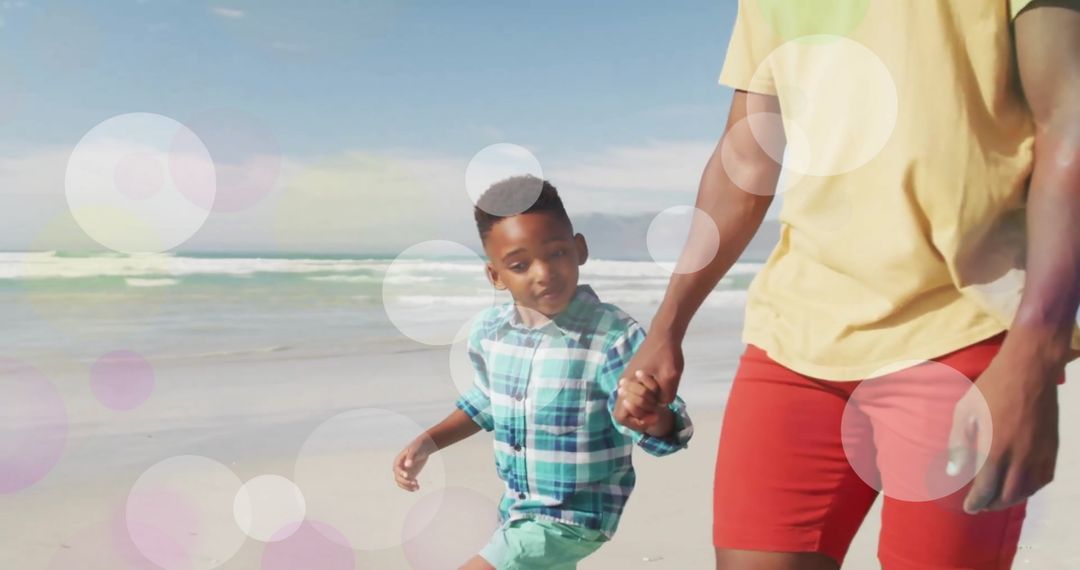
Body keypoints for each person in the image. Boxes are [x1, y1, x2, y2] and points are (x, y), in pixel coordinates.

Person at [614, 1, 1080, 568]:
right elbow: (747, 157)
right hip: (793, 338)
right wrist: (669, 324)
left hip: (962, 332)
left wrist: (1034, 353)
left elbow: (1070, 118)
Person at [392, 176, 694, 570]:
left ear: (579, 249)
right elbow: (484, 403)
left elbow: (670, 424)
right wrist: (428, 441)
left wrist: (656, 420)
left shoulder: (612, 337)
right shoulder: (490, 334)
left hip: (575, 518)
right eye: (520, 264)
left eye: (556, 254)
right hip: (516, 513)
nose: (543, 272)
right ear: (496, 276)